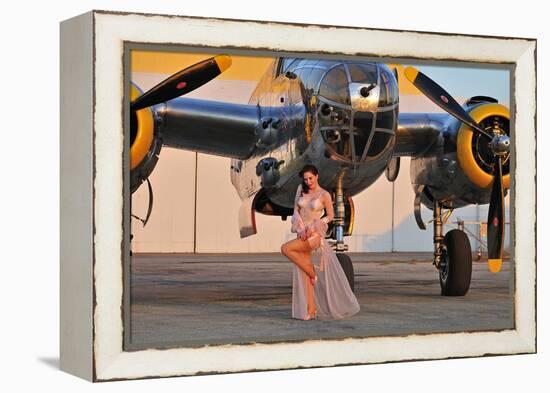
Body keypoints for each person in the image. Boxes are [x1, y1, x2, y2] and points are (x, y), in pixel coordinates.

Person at [280, 164, 360, 320]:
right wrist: (301, 228)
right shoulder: (300, 190)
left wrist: (312, 227)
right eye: (305, 179)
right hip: (302, 233)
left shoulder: (324, 195)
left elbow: (330, 216)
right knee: (303, 275)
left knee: (285, 249)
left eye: (310, 178)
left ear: (317, 176)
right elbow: (296, 210)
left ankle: (312, 272)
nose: (308, 181)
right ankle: (310, 310)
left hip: (314, 235)